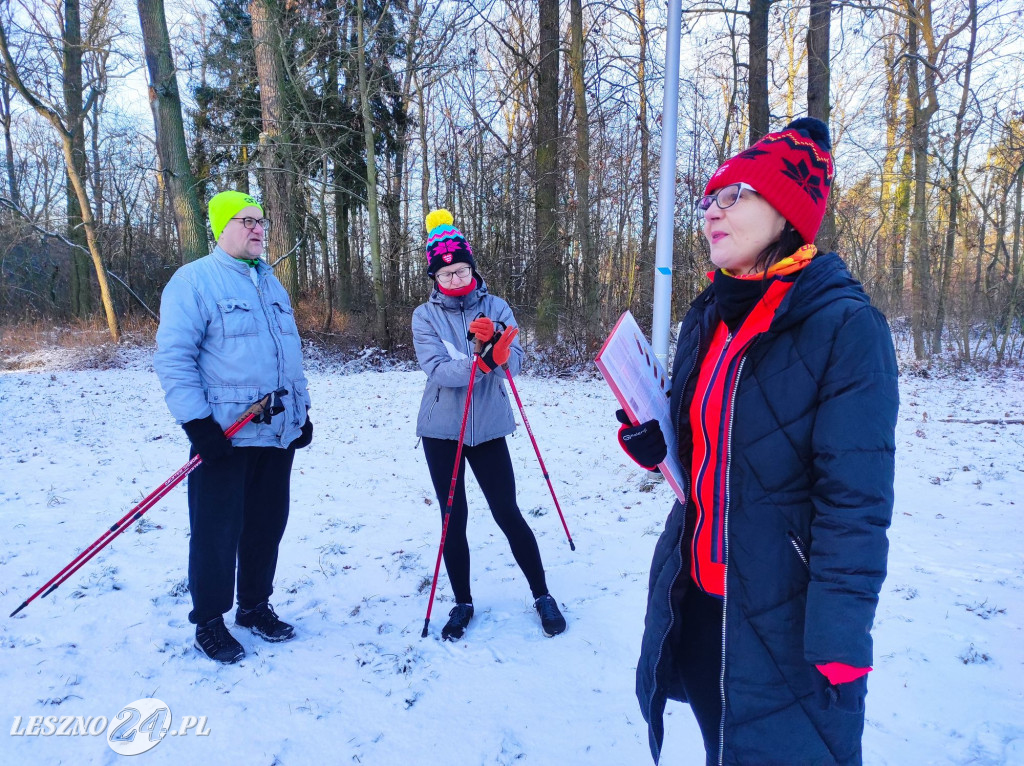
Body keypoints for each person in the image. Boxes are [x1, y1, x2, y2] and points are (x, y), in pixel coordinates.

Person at [617, 119, 898, 764]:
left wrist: (841, 638)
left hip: (788, 619)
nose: (713, 211)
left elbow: (855, 502)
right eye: (710, 198)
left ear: (787, 212)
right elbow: (708, 443)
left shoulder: (847, 329)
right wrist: (657, 445)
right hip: (704, 596)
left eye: (734, 195)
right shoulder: (709, 315)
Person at [154, 190, 313, 664]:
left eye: (261, 220)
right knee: (216, 531)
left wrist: (302, 412)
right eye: (247, 221)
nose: (258, 228)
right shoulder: (194, 281)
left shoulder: (271, 283)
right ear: (222, 227)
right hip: (224, 436)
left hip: (274, 430)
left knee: (267, 525)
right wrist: (198, 425)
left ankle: (254, 606)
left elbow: (290, 355)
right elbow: (174, 359)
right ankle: (209, 620)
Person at [412, 209, 566, 641]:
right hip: (442, 431)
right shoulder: (425, 316)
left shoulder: (497, 306)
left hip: (490, 428)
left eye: (462, 269)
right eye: (447, 272)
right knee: (452, 518)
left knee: (507, 511)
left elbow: (514, 364)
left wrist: (498, 346)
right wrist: (480, 362)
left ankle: (541, 594)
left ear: (473, 268)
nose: (456, 278)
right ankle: (462, 602)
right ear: (435, 276)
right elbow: (439, 369)